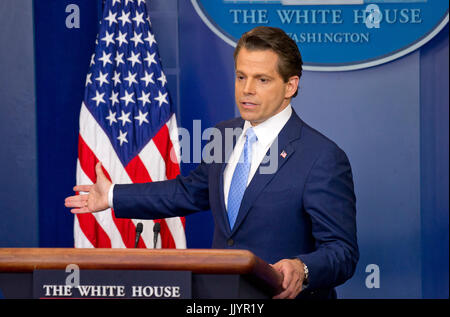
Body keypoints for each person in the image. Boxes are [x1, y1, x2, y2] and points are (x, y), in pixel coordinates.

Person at [65, 26, 359, 299]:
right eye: (241, 76)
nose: (247, 89)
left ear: (290, 86)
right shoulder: (223, 134)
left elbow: (342, 251)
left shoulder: (321, 157)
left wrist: (302, 269)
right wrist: (113, 195)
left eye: (262, 79)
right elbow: (187, 192)